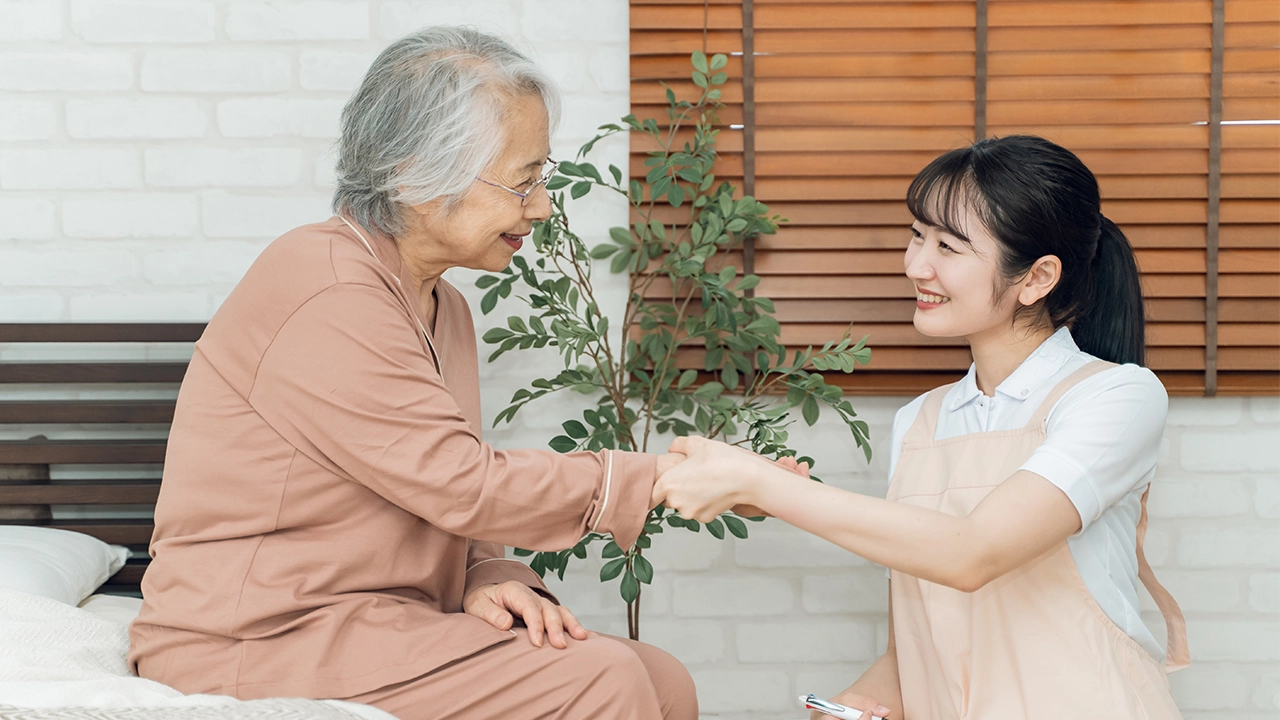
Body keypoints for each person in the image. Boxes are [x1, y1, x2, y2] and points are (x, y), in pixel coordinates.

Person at [129, 27, 696, 720]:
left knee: (663, 679)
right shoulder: (326, 287)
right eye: (523, 181)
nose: (542, 206)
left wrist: (489, 572)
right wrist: (660, 479)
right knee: (602, 678)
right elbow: (462, 482)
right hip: (254, 635)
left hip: (373, 620)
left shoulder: (443, 305)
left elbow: (438, 477)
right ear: (413, 176)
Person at [654, 135, 1189, 719]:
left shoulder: (1116, 397)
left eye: (948, 246)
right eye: (917, 236)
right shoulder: (920, 421)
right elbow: (918, 643)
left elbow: (972, 553)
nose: (915, 265)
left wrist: (767, 487)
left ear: (1037, 278)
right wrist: (862, 701)